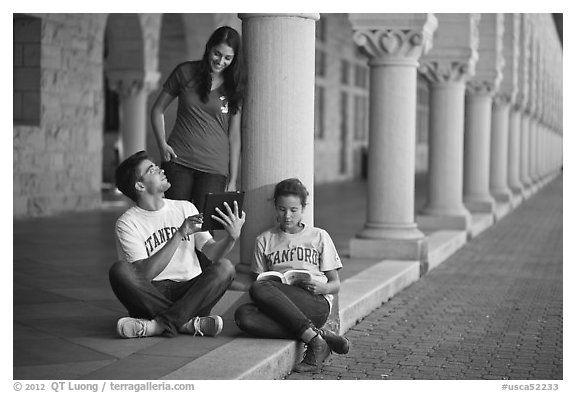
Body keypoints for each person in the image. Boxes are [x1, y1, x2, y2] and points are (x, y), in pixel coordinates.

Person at [109, 150, 245, 339]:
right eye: (151, 169)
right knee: (120, 271)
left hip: (191, 291)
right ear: (140, 185)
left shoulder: (185, 207)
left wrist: (231, 238)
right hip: (151, 294)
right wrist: (179, 234)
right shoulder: (127, 223)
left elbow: (211, 252)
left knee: (225, 268)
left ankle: (159, 325)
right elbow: (145, 274)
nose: (160, 170)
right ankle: (186, 323)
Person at [234, 178, 350, 373]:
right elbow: (259, 282)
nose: (287, 216)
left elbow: (335, 283)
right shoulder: (264, 240)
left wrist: (323, 288)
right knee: (243, 316)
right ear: (275, 208)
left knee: (259, 288)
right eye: (281, 209)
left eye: (293, 210)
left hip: (315, 303)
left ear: (303, 208)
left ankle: (315, 341)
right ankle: (318, 337)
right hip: (281, 305)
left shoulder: (319, 236)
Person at [150, 25, 244, 212]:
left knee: (205, 231)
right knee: (174, 225)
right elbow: (157, 109)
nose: (221, 61)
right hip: (178, 162)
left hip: (214, 170)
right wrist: (161, 144)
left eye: (228, 58)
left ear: (234, 59)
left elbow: (234, 136)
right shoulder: (185, 72)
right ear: (209, 48)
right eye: (217, 54)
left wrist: (233, 179)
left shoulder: (235, 86)